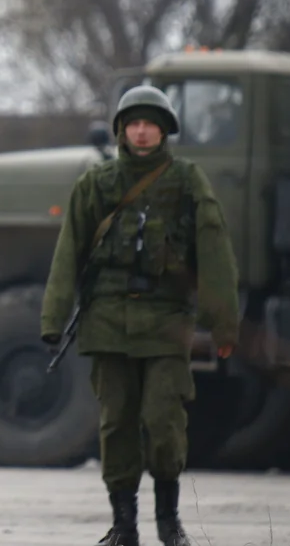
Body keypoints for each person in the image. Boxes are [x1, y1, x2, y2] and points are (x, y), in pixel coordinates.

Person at [39, 85, 241, 546]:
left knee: (164, 421)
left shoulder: (187, 181)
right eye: (134, 123)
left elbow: (214, 249)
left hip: (167, 322)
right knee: (116, 425)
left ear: (165, 130)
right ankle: (124, 525)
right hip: (107, 320)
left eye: (150, 123)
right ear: (122, 131)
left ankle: (169, 521)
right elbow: (68, 252)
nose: (142, 131)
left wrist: (223, 323)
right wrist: (53, 319)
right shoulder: (97, 183)